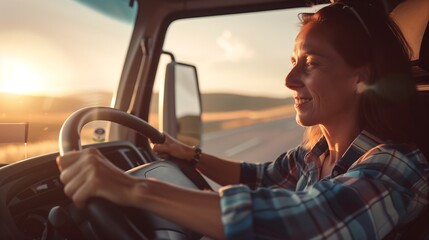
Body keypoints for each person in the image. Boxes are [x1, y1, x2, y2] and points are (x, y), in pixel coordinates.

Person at [56, 1, 429, 239]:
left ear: (360, 77)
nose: (289, 80)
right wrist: (192, 156)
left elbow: (307, 221)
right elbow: (259, 177)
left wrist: (129, 188)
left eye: (311, 63)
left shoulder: (394, 166)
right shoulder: (315, 155)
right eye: (293, 62)